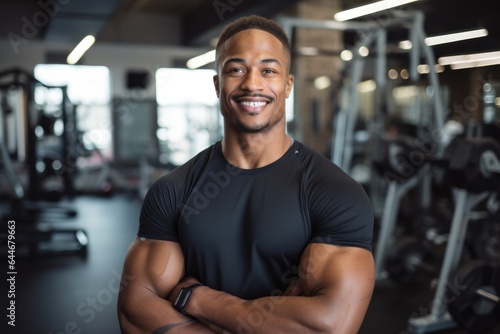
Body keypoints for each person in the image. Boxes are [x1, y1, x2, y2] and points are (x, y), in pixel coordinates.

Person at [117, 14, 375, 334]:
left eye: (268, 70)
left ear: (288, 85)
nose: (252, 84)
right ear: (217, 84)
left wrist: (195, 298)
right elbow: (134, 313)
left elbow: (328, 327)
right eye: (236, 69)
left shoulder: (335, 193)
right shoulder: (172, 190)